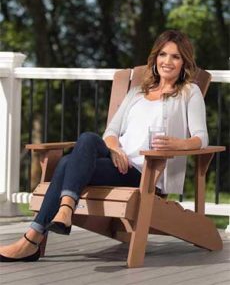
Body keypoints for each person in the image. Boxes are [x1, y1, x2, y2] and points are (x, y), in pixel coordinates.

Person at [0, 30, 208, 262]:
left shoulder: (190, 93)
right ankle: (64, 210)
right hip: (118, 162)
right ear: (155, 57)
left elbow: (201, 138)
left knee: (68, 162)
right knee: (88, 138)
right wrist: (114, 149)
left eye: (176, 57)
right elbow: (111, 132)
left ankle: (32, 239)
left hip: (145, 173)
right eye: (163, 54)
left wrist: (179, 144)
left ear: (184, 62)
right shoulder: (138, 92)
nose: (167, 61)